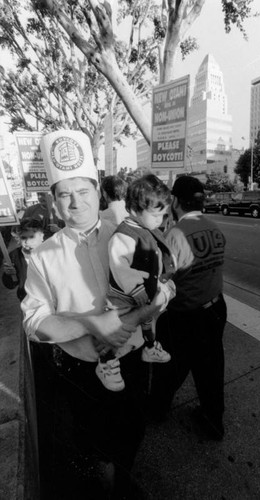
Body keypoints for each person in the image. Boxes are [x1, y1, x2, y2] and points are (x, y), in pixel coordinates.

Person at [21, 130, 169, 500]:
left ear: (96, 193)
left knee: (133, 427)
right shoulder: (43, 255)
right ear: (54, 203)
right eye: (65, 194)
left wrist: (163, 295)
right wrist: (91, 323)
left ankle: (122, 473)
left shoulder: (126, 235)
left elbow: (159, 284)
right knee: (92, 442)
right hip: (80, 373)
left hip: (132, 361)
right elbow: (34, 323)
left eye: (83, 191)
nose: (75, 202)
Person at [149, 175, 227, 441]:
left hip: (186, 315)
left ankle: (158, 410)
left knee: (169, 367)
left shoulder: (174, 235)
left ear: (174, 201)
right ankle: (213, 422)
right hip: (216, 307)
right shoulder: (215, 227)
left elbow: (162, 280)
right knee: (212, 369)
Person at [96, 174, 176, 391]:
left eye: (163, 214)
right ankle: (106, 361)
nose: (160, 220)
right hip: (124, 296)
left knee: (148, 322)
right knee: (119, 329)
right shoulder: (124, 234)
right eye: (156, 214)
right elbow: (119, 265)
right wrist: (137, 287)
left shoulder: (147, 229)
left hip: (146, 290)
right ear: (134, 209)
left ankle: (150, 347)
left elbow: (156, 256)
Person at [2, 218, 44, 301]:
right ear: (18, 239)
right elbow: (10, 285)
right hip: (26, 299)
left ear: (42, 236)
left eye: (32, 237)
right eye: (23, 238)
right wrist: (9, 274)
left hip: (50, 300)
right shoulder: (14, 255)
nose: (27, 242)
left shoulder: (51, 253)